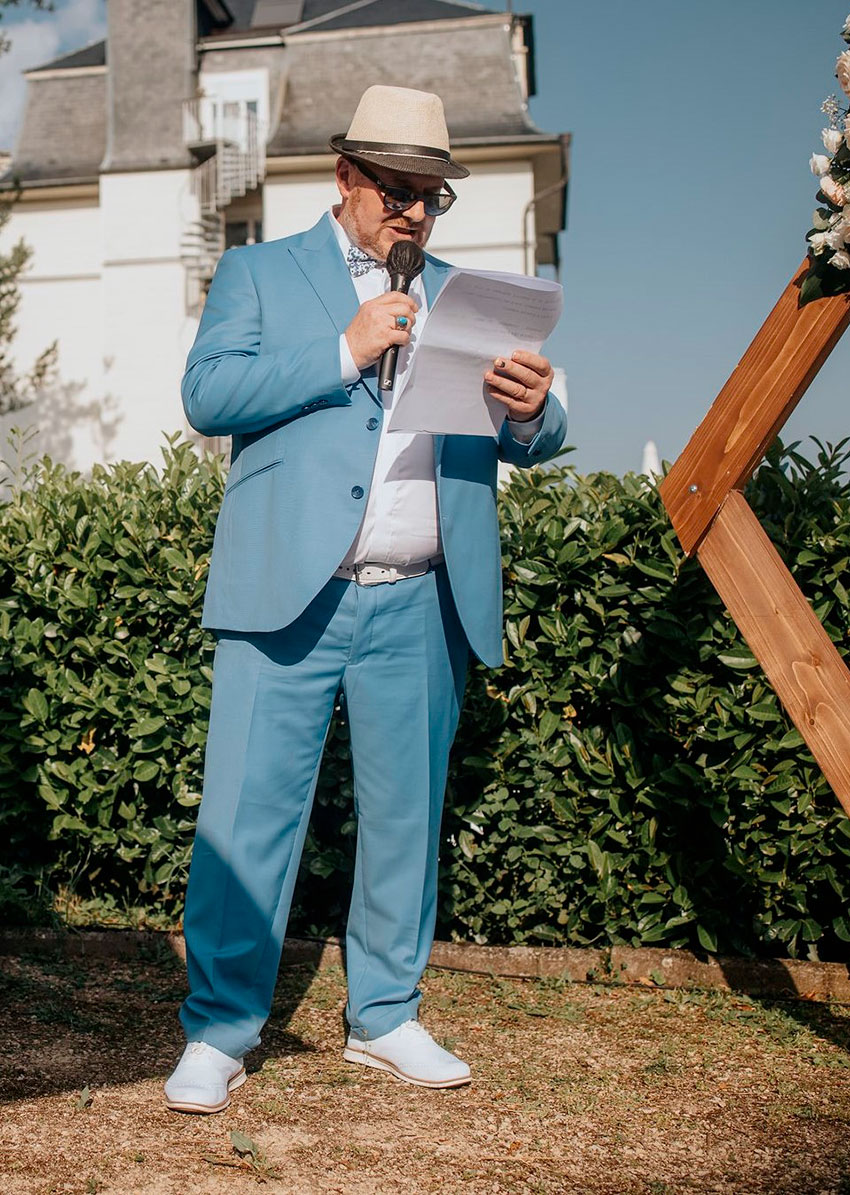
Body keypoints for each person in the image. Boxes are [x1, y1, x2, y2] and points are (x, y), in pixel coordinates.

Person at [164, 85, 567, 1113]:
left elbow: (540, 432)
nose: (416, 213)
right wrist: (344, 349)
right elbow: (208, 394)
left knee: (404, 820)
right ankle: (219, 1027)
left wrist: (534, 411)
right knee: (249, 818)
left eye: (432, 196)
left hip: (421, 600)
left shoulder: (466, 296)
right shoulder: (258, 271)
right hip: (286, 595)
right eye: (398, 191)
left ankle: (384, 1015)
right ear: (345, 177)